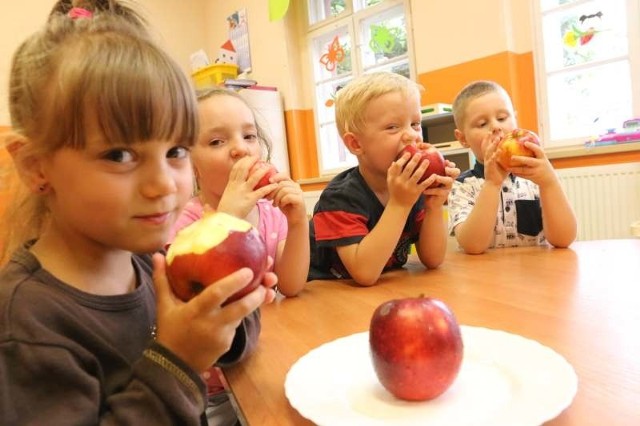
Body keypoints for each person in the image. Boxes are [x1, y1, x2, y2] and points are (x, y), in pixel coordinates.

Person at [0, 2, 275, 425]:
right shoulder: (28, 324)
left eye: (176, 151)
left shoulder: (150, 263)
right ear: (37, 167)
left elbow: (222, 347)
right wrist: (178, 361)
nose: (164, 183)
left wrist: (231, 312)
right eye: (120, 154)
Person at [167, 87, 308, 424]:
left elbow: (292, 283)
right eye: (217, 142)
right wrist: (225, 220)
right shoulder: (186, 225)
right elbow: (189, 301)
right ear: (191, 163)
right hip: (211, 385)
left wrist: (298, 222)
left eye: (249, 135)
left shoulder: (270, 214)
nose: (240, 148)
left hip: (265, 364)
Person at [308, 72, 460, 286]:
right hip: (322, 292)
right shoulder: (339, 198)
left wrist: (434, 205)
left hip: (380, 291)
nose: (412, 136)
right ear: (356, 144)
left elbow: (433, 259)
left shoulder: (411, 186)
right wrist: (400, 203)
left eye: (415, 124)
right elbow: (365, 273)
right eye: (392, 127)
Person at [447, 80, 577, 254]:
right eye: (482, 124)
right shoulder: (462, 186)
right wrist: (492, 184)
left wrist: (549, 183)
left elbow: (564, 239)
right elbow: (473, 246)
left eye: (502, 118)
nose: (496, 126)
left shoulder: (535, 179)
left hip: (535, 275)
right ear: (462, 138)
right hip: (482, 278)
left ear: (515, 119)